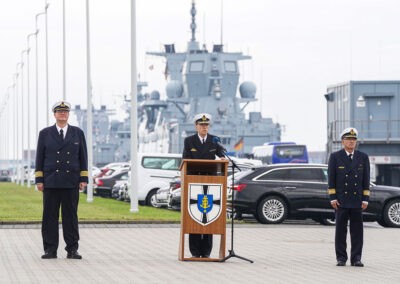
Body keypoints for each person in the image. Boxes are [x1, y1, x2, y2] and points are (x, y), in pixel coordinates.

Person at [35, 101, 88, 259]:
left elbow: (83, 156)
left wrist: (83, 177)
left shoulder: (77, 133)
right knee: (49, 216)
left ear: (68, 114)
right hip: (51, 181)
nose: (62, 114)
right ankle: (50, 250)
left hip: (71, 181)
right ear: (55, 114)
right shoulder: (45, 133)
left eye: (65, 112)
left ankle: (72, 249)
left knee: (70, 217)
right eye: (59, 112)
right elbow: (40, 158)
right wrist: (39, 179)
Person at [182, 113, 225, 258]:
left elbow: (222, 156)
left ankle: (206, 252)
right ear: (196, 126)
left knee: (209, 216)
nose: (204, 127)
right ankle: (194, 252)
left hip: (210, 182)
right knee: (194, 216)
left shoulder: (214, 141)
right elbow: (185, 159)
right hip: (194, 182)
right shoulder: (189, 141)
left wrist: (225, 159)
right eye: (201, 125)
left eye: (206, 125)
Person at [328, 127, 370, 267]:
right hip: (341, 200)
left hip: (357, 200)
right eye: (348, 139)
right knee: (340, 231)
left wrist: (365, 199)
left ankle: (356, 258)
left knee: (357, 231)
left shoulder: (363, 157)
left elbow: (366, 179)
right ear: (342, 141)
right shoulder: (335, 156)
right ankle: (341, 258)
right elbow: (331, 178)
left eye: (353, 139)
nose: (351, 142)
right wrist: (332, 197)